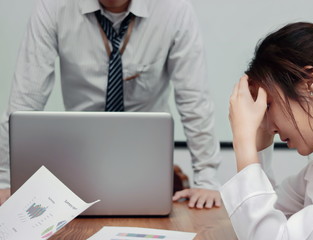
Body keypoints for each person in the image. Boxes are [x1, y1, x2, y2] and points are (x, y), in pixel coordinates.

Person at [0, 0, 222, 209]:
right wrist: (5, 180)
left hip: (146, 166)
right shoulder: (54, 6)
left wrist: (207, 180)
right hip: (77, 163)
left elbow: (194, 100)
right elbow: (25, 100)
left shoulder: (173, 9)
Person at [221, 20, 313, 239]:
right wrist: (259, 144)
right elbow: (271, 216)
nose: (265, 124)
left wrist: (244, 140)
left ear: (309, 83)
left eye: (268, 105)